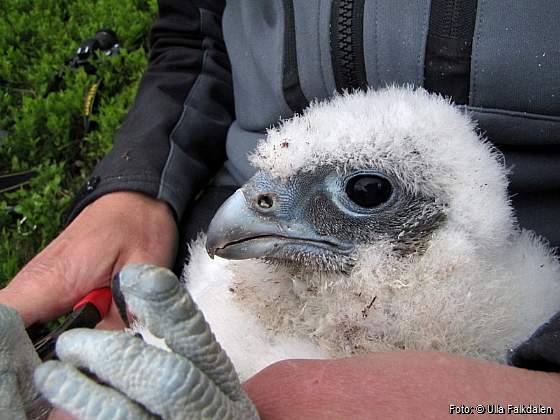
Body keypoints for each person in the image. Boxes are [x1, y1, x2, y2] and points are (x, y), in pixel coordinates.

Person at [1, 0, 559, 418]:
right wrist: (139, 186)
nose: (255, 206)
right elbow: (195, 32)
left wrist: (532, 399)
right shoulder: (235, 278)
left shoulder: (516, 300)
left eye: (363, 193)